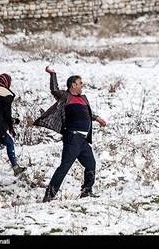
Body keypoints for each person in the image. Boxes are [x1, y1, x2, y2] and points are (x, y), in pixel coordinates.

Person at [33, 65, 107, 202]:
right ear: (73, 85)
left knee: (91, 164)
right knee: (65, 167)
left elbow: (87, 113)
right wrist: (53, 74)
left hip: (83, 140)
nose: (82, 85)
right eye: (80, 83)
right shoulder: (66, 97)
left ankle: (87, 191)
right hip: (72, 138)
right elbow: (54, 89)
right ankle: (49, 195)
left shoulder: (83, 98)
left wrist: (96, 118)